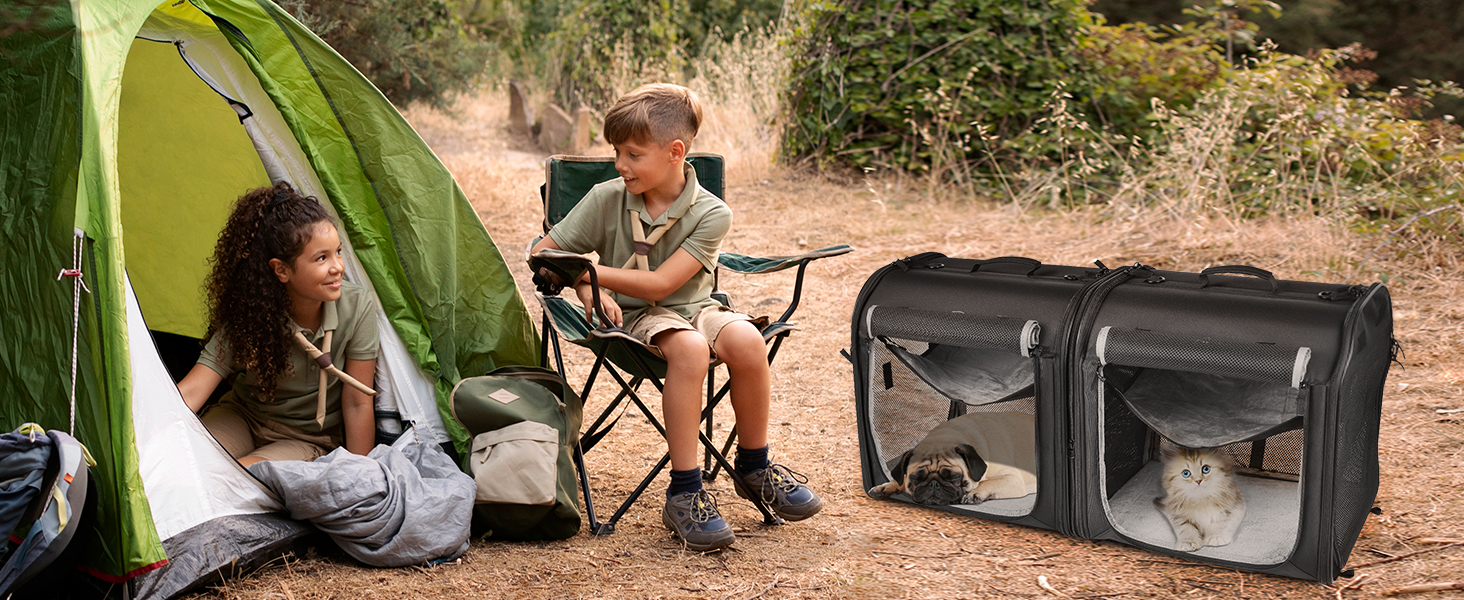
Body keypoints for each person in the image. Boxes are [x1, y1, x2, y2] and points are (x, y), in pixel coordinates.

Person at [530, 83, 822, 551]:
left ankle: (754, 466)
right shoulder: (607, 197)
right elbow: (544, 252)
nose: (620, 164)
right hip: (632, 317)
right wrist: (586, 284)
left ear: (675, 152)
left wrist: (589, 272)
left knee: (748, 341)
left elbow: (664, 285)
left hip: (696, 306)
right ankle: (685, 491)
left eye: (632, 153)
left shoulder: (712, 212)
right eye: (616, 152)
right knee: (687, 348)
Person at [176, 182, 379, 467]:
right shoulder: (251, 311)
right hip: (242, 418)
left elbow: (358, 403)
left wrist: (360, 476)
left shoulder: (357, 308)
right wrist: (141, 437)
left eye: (338, 252)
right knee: (191, 460)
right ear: (281, 270)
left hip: (306, 438)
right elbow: (192, 391)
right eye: (321, 258)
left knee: (241, 475)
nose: (337, 267)